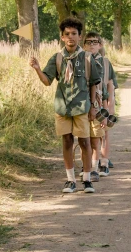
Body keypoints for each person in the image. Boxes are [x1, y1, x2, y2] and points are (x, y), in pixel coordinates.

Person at [29, 17, 100, 193]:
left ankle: (87, 179)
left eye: (74, 34)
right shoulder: (57, 58)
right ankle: (70, 180)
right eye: (67, 34)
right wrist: (37, 69)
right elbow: (47, 81)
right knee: (67, 141)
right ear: (61, 37)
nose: (70, 37)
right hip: (62, 106)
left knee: (84, 142)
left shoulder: (87, 58)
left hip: (81, 106)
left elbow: (93, 83)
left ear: (80, 36)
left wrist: (93, 106)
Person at [83, 32, 118, 180]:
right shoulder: (82, 61)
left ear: (100, 45)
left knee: (104, 132)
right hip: (87, 101)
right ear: (83, 44)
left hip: (102, 101)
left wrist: (111, 105)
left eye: (95, 42)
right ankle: (90, 164)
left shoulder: (105, 62)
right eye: (89, 42)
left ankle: (104, 161)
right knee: (90, 135)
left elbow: (110, 85)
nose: (92, 44)